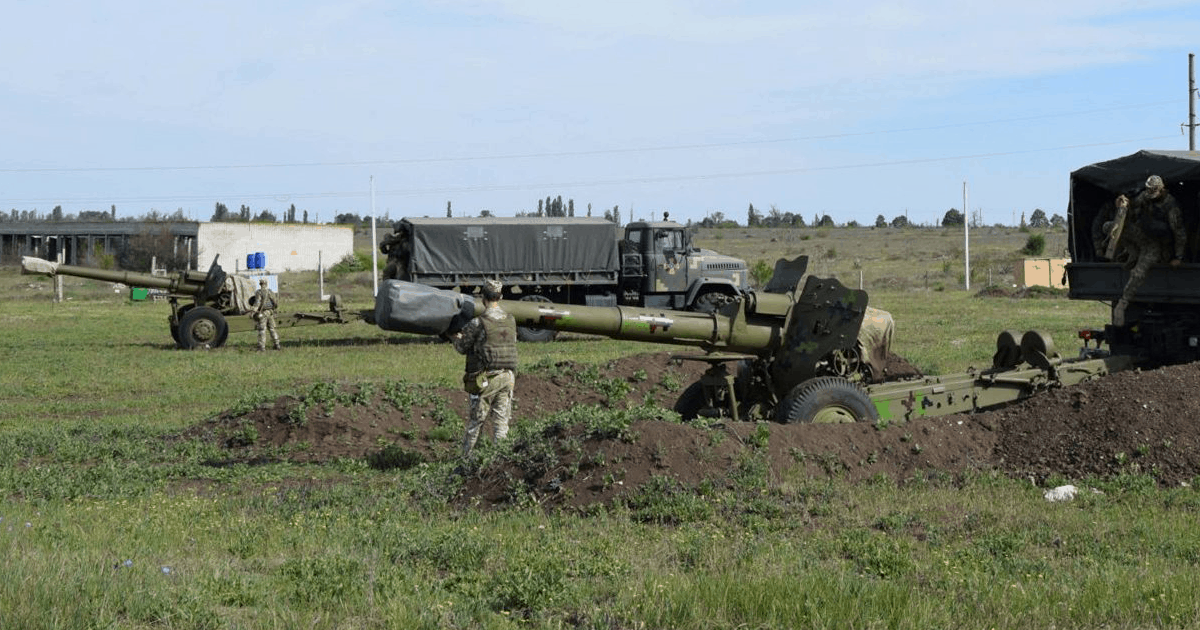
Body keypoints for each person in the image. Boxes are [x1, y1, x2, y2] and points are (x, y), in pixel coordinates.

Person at [1102, 175, 1185, 325]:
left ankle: (1123, 303)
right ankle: (1132, 252)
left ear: (1161, 189)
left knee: (1138, 272)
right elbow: (1133, 207)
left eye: (1153, 191)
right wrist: (1123, 203)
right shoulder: (1144, 197)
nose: (1150, 194)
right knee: (1109, 227)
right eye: (1148, 191)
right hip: (1143, 235)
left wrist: (1178, 256)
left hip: (1158, 245)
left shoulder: (1171, 207)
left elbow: (1179, 233)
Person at [452, 279, 517, 458]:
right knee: (501, 424)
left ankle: (466, 461)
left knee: (476, 423)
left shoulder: (477, 323)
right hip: (508, 376)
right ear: (501, 296)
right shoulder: (511, 320)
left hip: (486, 379)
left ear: (483, 297)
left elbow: (461, 348)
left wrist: (455, 337)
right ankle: (500, 461)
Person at [251, 278, 281, 350]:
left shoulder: (259, 292)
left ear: (260, 284)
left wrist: (253, 312)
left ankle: (261, 347)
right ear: (266, 283)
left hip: (263, 313)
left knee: (262, 330)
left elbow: (257, 303)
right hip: (270, 312)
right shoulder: (270, 292)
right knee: (272, 329)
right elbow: (275, 303)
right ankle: (277, 344)